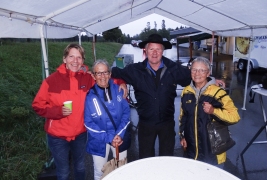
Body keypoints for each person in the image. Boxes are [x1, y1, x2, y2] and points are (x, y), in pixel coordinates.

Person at [111, 33, 225, 159]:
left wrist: (212, 80)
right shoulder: (135, 70)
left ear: (163, 51)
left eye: (158, 49)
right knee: (146, 159)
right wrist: (121, 82)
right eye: (151, 49)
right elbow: (114, 73)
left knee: (167, 159)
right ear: (146, 50)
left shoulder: (173, 68)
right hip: (146, 124)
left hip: (167, 123)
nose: (154, 53)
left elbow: (195, 77)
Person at [32, 44, 126, 180]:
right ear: (64, 59)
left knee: (80, 167)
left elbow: (104, 80)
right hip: (58, 136)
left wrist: (121, 82)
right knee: (63, 172)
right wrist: (57, 111)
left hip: (80, 134)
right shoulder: (51, 81)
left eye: (79, 57)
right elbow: (37, 105)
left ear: (82, 61)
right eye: (71, 56)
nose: (75, 61)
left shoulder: (87, 78)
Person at [179, 57, 240, 166]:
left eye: (202, 70)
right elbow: (183, 117)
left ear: (208, 73)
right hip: (192, 152)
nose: (197, 73)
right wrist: (182, 136)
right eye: (194, 69)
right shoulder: (186, 91)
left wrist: (213, 111)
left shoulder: (218, 93)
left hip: (212, 152)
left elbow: (235, 117)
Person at [84, 59, 130, 180]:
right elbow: (88, 123)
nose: (102, 76)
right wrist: (109, 137)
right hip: (99, 140)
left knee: (122, 169)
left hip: (119, 137)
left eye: (105, 72)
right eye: (99, 73)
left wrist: (119, 134)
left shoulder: (119, 90)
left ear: (110, 74)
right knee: (100, 172)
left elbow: (126, 113)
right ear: (93, 76)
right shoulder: (89, 96)